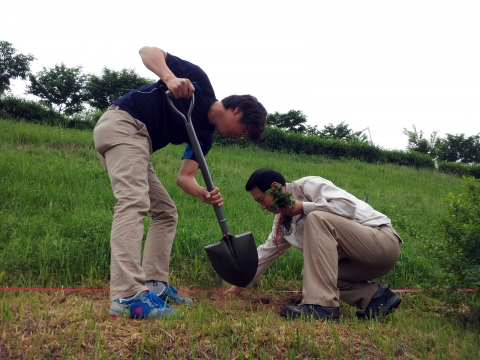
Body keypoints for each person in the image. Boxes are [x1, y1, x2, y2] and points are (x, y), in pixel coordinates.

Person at [93, 46, 268, 320]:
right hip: (124, 124)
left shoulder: (205, 138)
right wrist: (169, 78)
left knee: (165, 212)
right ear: (236, 111)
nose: (239, 137)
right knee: (133, 202)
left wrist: (202, 192)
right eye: (244, 131)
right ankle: (127, 296)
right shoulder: (199, 83)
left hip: (138, 142)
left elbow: (184, 177)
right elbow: (148, 51)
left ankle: (155, 286)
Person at [226, 168, 403, 322]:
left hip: (381, 242)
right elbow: (267, 252)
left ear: (274, 188)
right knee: (311, 276)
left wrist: (303, 207)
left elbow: (348, 207)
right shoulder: (282, 220)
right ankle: (375, 297)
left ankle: (321, 307)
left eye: (261, 200)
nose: (262, 207)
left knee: (317, 218)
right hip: (357, 263)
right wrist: (239, 284)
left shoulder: (307, 186)